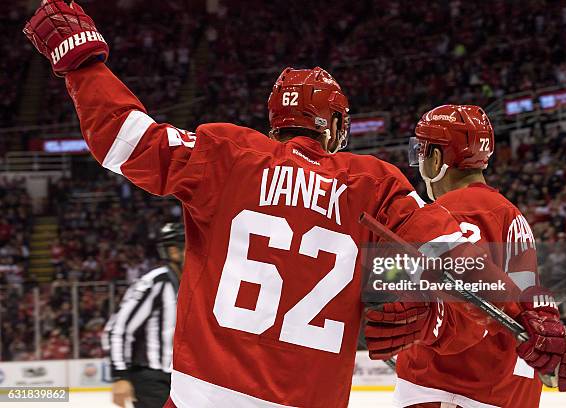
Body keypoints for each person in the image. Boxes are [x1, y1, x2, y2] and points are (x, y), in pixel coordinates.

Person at [23, 2, 473, 406]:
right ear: (334, 125)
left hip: (201, 394)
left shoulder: (228, 152)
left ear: (275, 121)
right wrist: (427, 307)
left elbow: (125, 141)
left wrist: (83, 64)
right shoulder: (372, 182)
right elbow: (457, 253)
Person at [364, 105, 566, 408]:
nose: (420, 162)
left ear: (437, 158)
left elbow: (466, 302)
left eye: (423, 152)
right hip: (511, 389)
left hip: (451, 390)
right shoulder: (510, 213)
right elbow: (519, 297)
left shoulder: (452, 213)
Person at [103, 223, 184, 408]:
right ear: (173, 252)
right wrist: (120, 375)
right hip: (152, 379)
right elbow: (118, 329)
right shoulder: (156, 282)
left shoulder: (191, 285)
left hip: (179, 380)